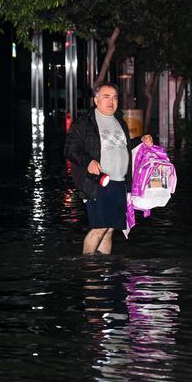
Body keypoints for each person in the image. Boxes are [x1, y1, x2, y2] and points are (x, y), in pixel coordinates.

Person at [64, 83, 154, 255]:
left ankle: (103, 272)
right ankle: (89, 271)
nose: (111, 101)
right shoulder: (85, 122)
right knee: (100, 227)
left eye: (114, 97)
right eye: (106, 97)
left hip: (120, 184)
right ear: (96, 100)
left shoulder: (120, 121)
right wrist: (88, 161)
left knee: (111, 229)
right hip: (98, 183)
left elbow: (124, 147)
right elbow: (70, 148)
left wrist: (141, 141)